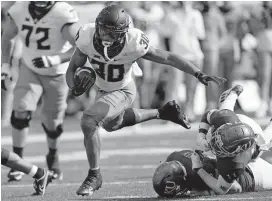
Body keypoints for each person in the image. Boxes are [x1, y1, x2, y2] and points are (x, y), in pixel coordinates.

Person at [66, 4, 226, 196]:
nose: (103, 36)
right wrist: (73, 86)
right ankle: (162, 112)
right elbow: (72, 68)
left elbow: (167, 57)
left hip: (124, 90)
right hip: (102, 89)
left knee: (89, 120)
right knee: (111, 125)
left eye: (110, 32)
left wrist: (197, 72)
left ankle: (94, 175)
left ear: (122, 33)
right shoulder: (86, 35)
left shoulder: (134, 41)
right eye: (101, 29)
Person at [1, 1, 80, 181]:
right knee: (20, 111)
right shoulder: (19, 8)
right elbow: (7, 37)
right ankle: (17, 163)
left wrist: (54, 59)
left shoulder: (62, 12)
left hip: (58, 73)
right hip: (30, 68)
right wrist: (5, 66)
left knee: (52, 124)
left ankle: (53, 156)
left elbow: (82, 47)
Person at [152, 148, 272, 198]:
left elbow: (236, 188)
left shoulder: (195, 176)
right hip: (239, 160)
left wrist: (206, 191)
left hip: (251, 177)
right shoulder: (174, 156)